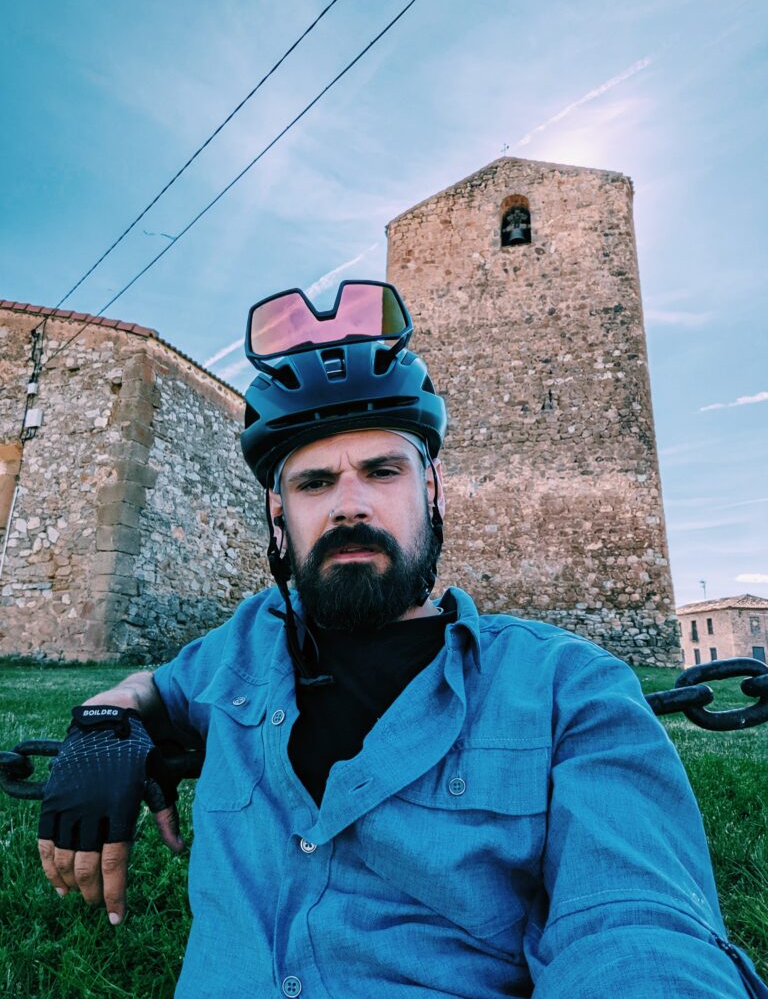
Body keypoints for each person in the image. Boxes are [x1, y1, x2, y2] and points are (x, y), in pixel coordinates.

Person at [37, 281, 767, 998]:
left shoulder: (566, 685)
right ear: (277, 513)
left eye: (382, 471)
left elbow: (634, 926)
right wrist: (105, 723)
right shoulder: (241, 646)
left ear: (432, 488)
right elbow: (154, 687)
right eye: (315, 482)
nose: (350, 504)